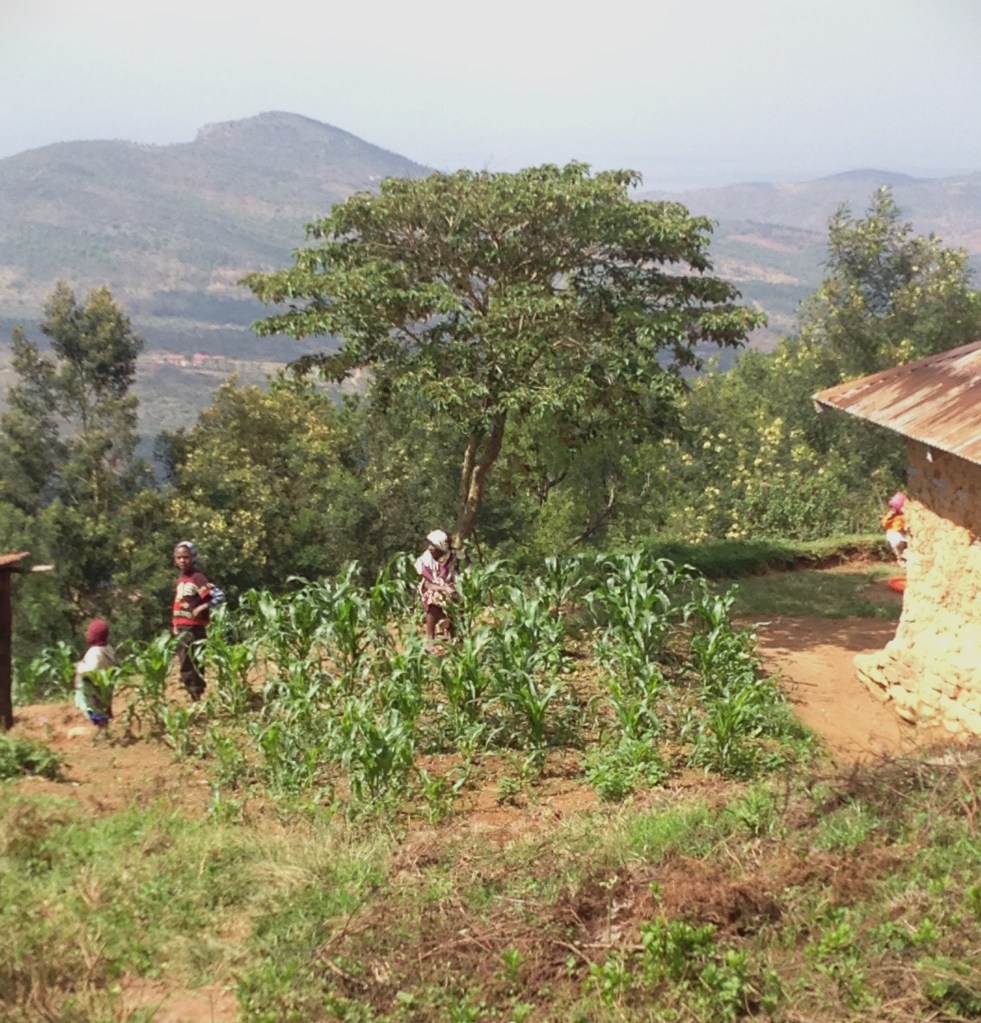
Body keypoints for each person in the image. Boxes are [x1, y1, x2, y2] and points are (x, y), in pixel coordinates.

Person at [172, 540, 216, 700]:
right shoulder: (182, 579)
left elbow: (217, 598)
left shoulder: (197, 578)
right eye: (179, 557)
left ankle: (196, 693)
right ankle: (192, 692)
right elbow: (178, 603)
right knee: (184, 660)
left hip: (194, 628)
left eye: (186, 557)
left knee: (193, 661)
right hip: (182, 627)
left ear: (193, 558)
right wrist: (175, 623)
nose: (182, 561)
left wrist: (200, 608)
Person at [414, 529, 462, 653]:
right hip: (432, 588)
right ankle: (430, 640)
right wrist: (444, 588)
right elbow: (428, 583)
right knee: (433, 597)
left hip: (452, 587)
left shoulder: (454, 557)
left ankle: (455, 636)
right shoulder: (426, 559)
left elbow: (462, 573)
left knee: (458, 599)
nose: (430, 548)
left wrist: (454, 587)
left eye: (433, 546)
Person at [73, 618, 117, 728]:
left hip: (93, 686)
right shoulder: (108, 649)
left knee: (86, 703)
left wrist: (79, 667)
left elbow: (90, 669)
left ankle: (99, 724)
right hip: (106, 685)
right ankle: (103, 722)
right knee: (104, 704)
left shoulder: (95, 652)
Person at [881, 491, 909, 565]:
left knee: (902, 545)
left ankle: (902, 557)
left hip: (902, 534)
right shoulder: (891, 515)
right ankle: (900, 558)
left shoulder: (904, 515)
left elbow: (906, 524)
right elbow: (884, 524)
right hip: (894, 533)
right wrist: (890, 516)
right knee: (896, 545)